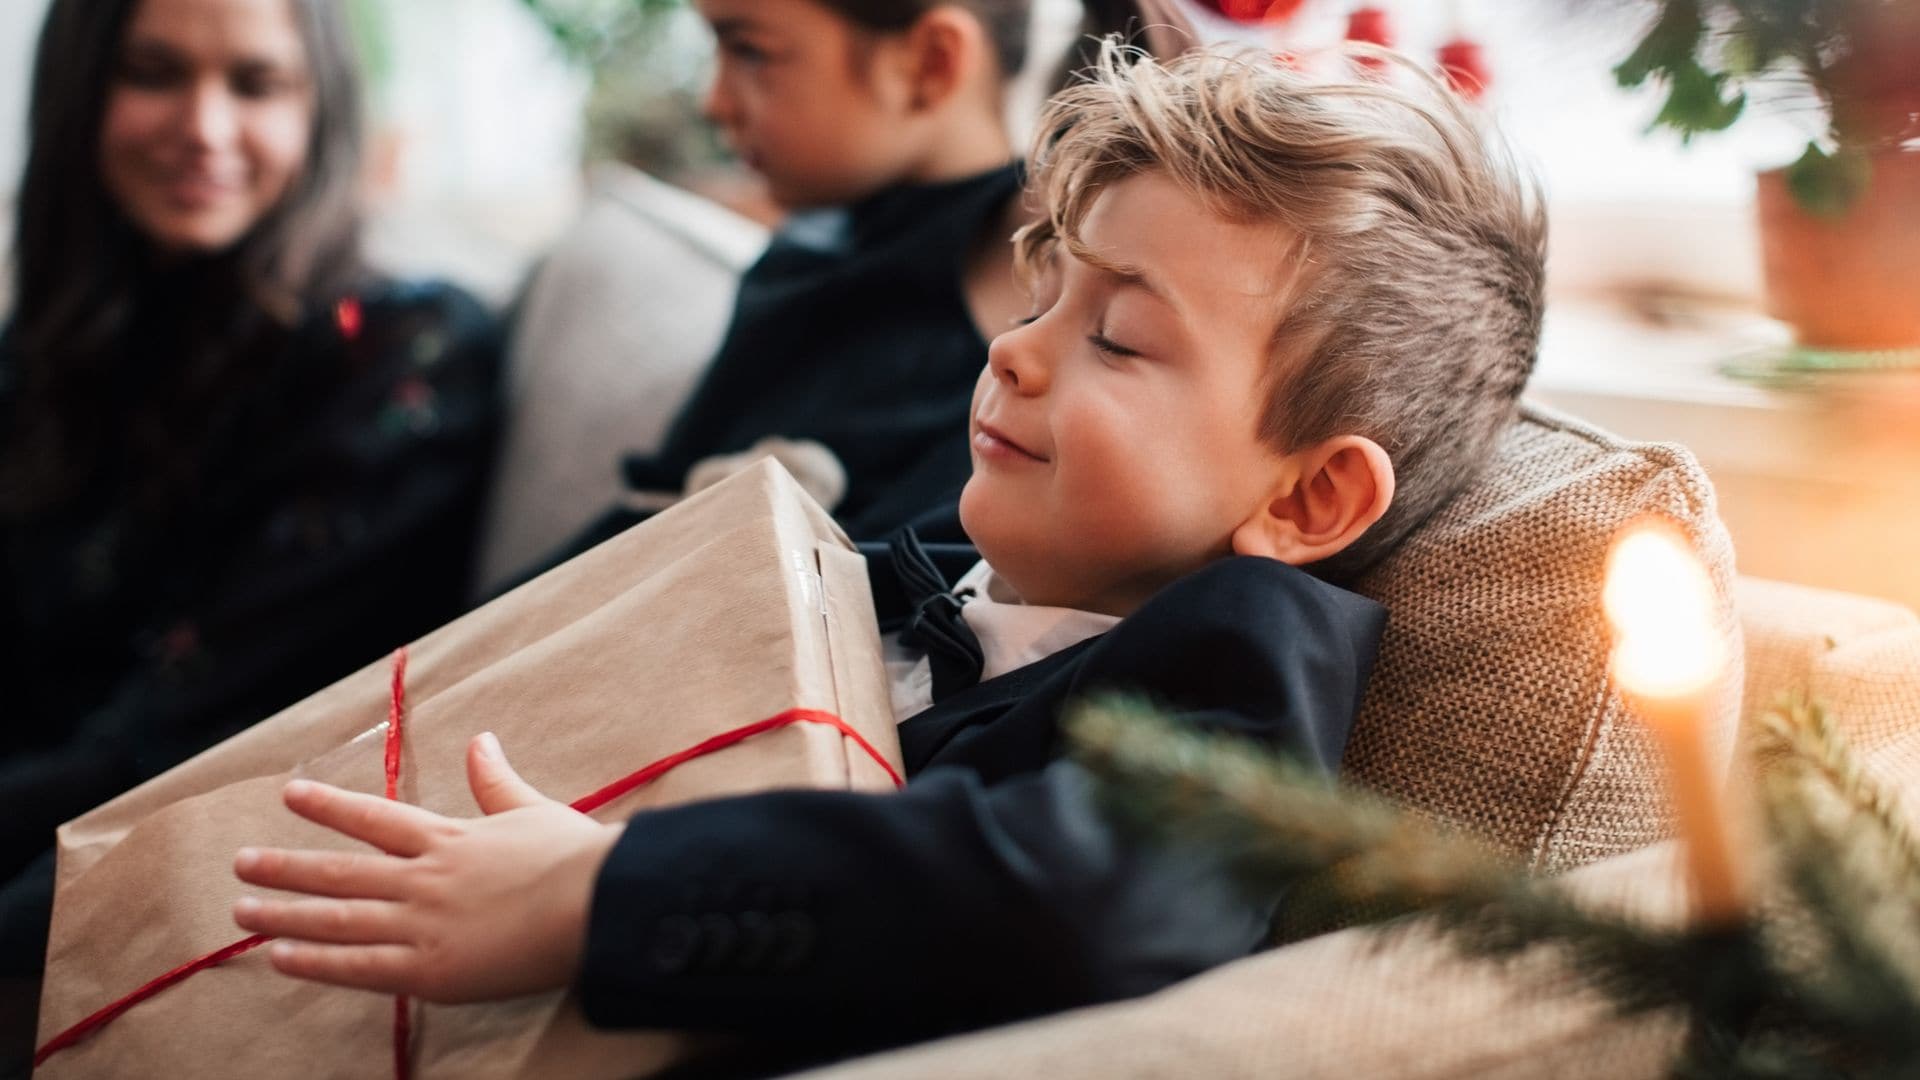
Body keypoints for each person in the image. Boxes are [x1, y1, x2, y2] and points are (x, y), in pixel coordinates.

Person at [233, 39, 1546, 1072]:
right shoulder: (902, 563)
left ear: (1311, 500)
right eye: (1044, 297)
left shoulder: (1248, 644)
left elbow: (1102, 899)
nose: (1015, 349)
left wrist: (604, 894)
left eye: (1122, 340)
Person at [0, 0, 502, 1014]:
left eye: (257, 84)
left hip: (168, 887)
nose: (204, 125)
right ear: (78, 93)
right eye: (153, 73)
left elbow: (182, 735)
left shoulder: (405, 354)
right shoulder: (59, 343)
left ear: (319, 112)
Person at [534, 0, 1176, 569]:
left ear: (930, 62)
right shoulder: (807, 259)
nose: (714, 101)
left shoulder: (1020, 343)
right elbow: (655, 518)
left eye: (750, 50)